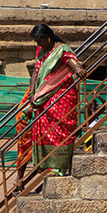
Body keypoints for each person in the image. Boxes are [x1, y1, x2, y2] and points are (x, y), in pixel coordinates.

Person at [23, 24, 86, 175]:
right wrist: (32, 93)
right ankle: (46, 163)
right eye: (36, 42)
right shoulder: (41, 51)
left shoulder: (61, 49)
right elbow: (35, 73)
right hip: (42, 95)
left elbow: (72, 62)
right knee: (42, 125)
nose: (38, 44)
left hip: (60, 95)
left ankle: (59, 166)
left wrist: (78, 69)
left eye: (40, 41)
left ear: (48, 38)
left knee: (58, 128)